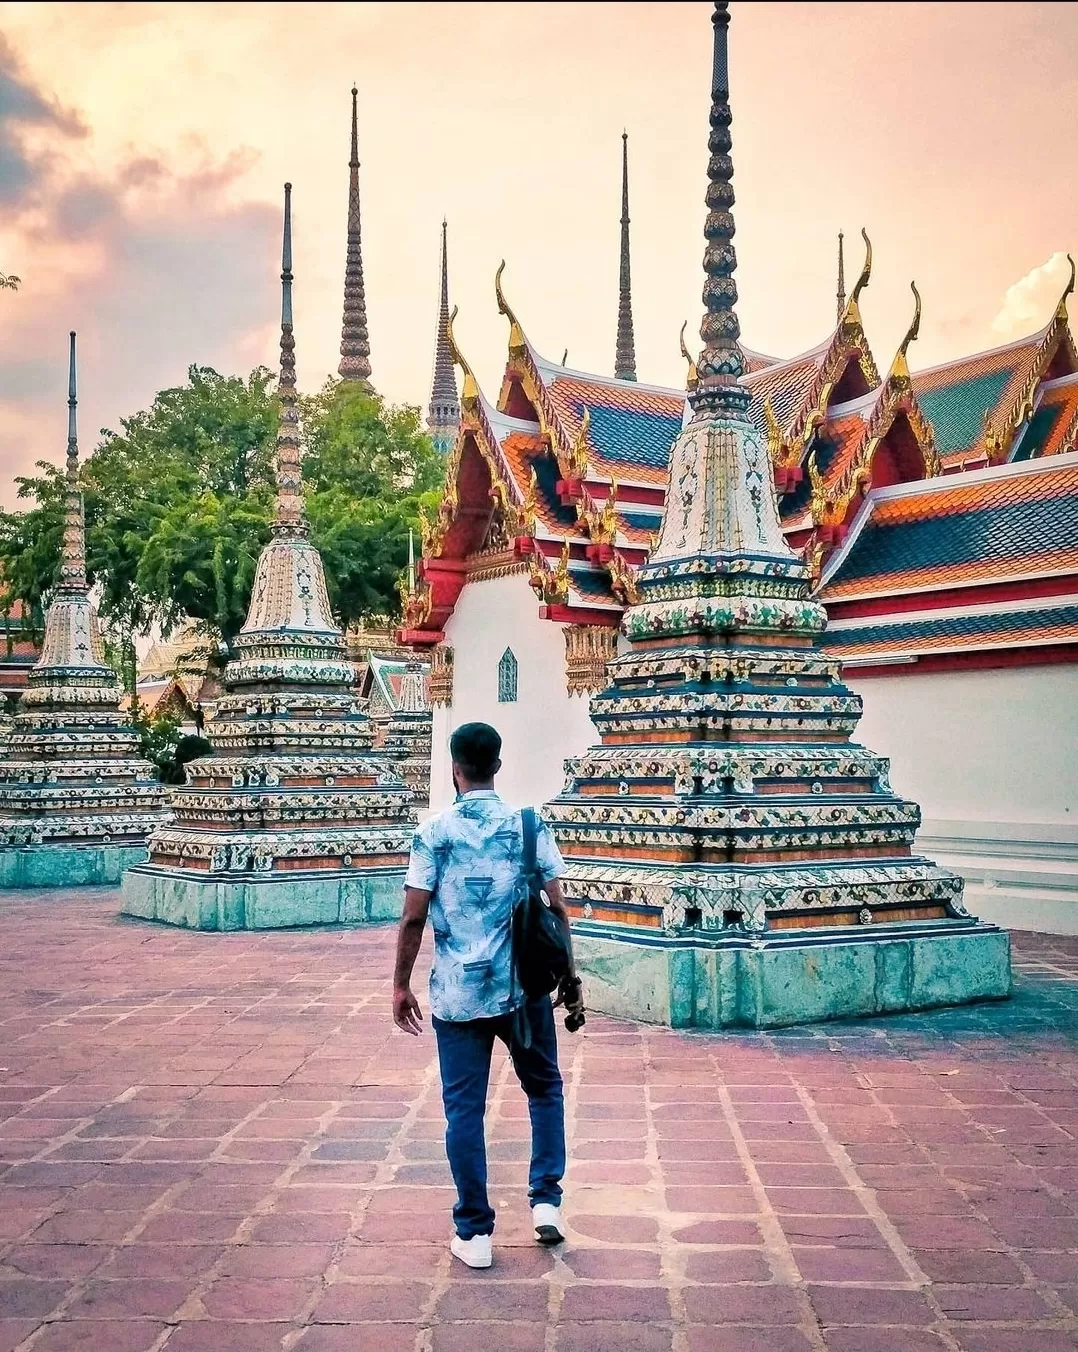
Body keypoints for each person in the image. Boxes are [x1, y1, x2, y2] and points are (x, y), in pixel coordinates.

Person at [392, 721, 585, 1270]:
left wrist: (401, 984)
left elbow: (413, 917)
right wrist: (568, 975)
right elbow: (557, 909)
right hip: (522, 991)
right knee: (544, 1090)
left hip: (456, 995)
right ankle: (546, 1202)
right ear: (496, 766)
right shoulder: (528, 825)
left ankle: (474, 1232)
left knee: (464, 1113)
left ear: (455, 767)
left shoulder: (434, 833)